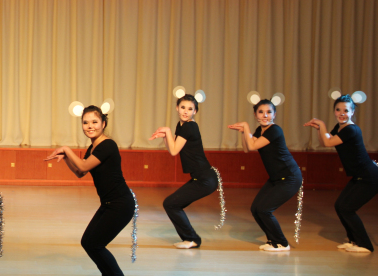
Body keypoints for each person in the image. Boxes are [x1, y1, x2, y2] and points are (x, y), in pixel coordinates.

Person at [46, 106, 135, 276]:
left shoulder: (107, 145)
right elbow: (80, 171)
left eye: (94, 122)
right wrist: (67, 157)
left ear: (103, 123)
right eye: (85, 122)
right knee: (88, 241)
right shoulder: (94, 147)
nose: (90, 126)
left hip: (120, 204)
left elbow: (84, 165)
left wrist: (67, 149)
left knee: (95, 243)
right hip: (109, 204)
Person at [305, 94, 378, 253]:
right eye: (338, 110)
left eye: (346, 110)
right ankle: (354, 241)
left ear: (352, 112)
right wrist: (319, 129)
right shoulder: (340, 128)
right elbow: (325, 142)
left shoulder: (351, 129)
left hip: (369, 177)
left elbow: (328, 141)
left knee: (347, 209)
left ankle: (365, 245)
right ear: (334, 111)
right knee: (340, 206)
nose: (342, 113)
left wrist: (322, 124)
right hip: (360, 176)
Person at [229, 99, 302, 251]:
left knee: (264, 209)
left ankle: (281, 243)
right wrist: (244, 132)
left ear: (274, 114)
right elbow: (247, 148)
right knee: (256, 208)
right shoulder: (260, 130)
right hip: (276, 178)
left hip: (289, 177)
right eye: (261, 112)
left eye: (269, 112)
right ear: (255, 115)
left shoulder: (275, 130)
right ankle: (272, 240)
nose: (265, 115)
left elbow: (253, 145)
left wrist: (246, 126)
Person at [150, 94, 218, 249]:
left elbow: (174, 150)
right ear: (177, 108)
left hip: (205, 179)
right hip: (201, 178)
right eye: (183, 107)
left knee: (171, 204)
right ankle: (191, 239)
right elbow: (172, 149)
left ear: (195, 111)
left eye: (190, 109)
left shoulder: (189, 126)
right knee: (172, 204)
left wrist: (167, 131)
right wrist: (165, 136)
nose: (186, 111)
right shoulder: (181, 125)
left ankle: (192, 239)